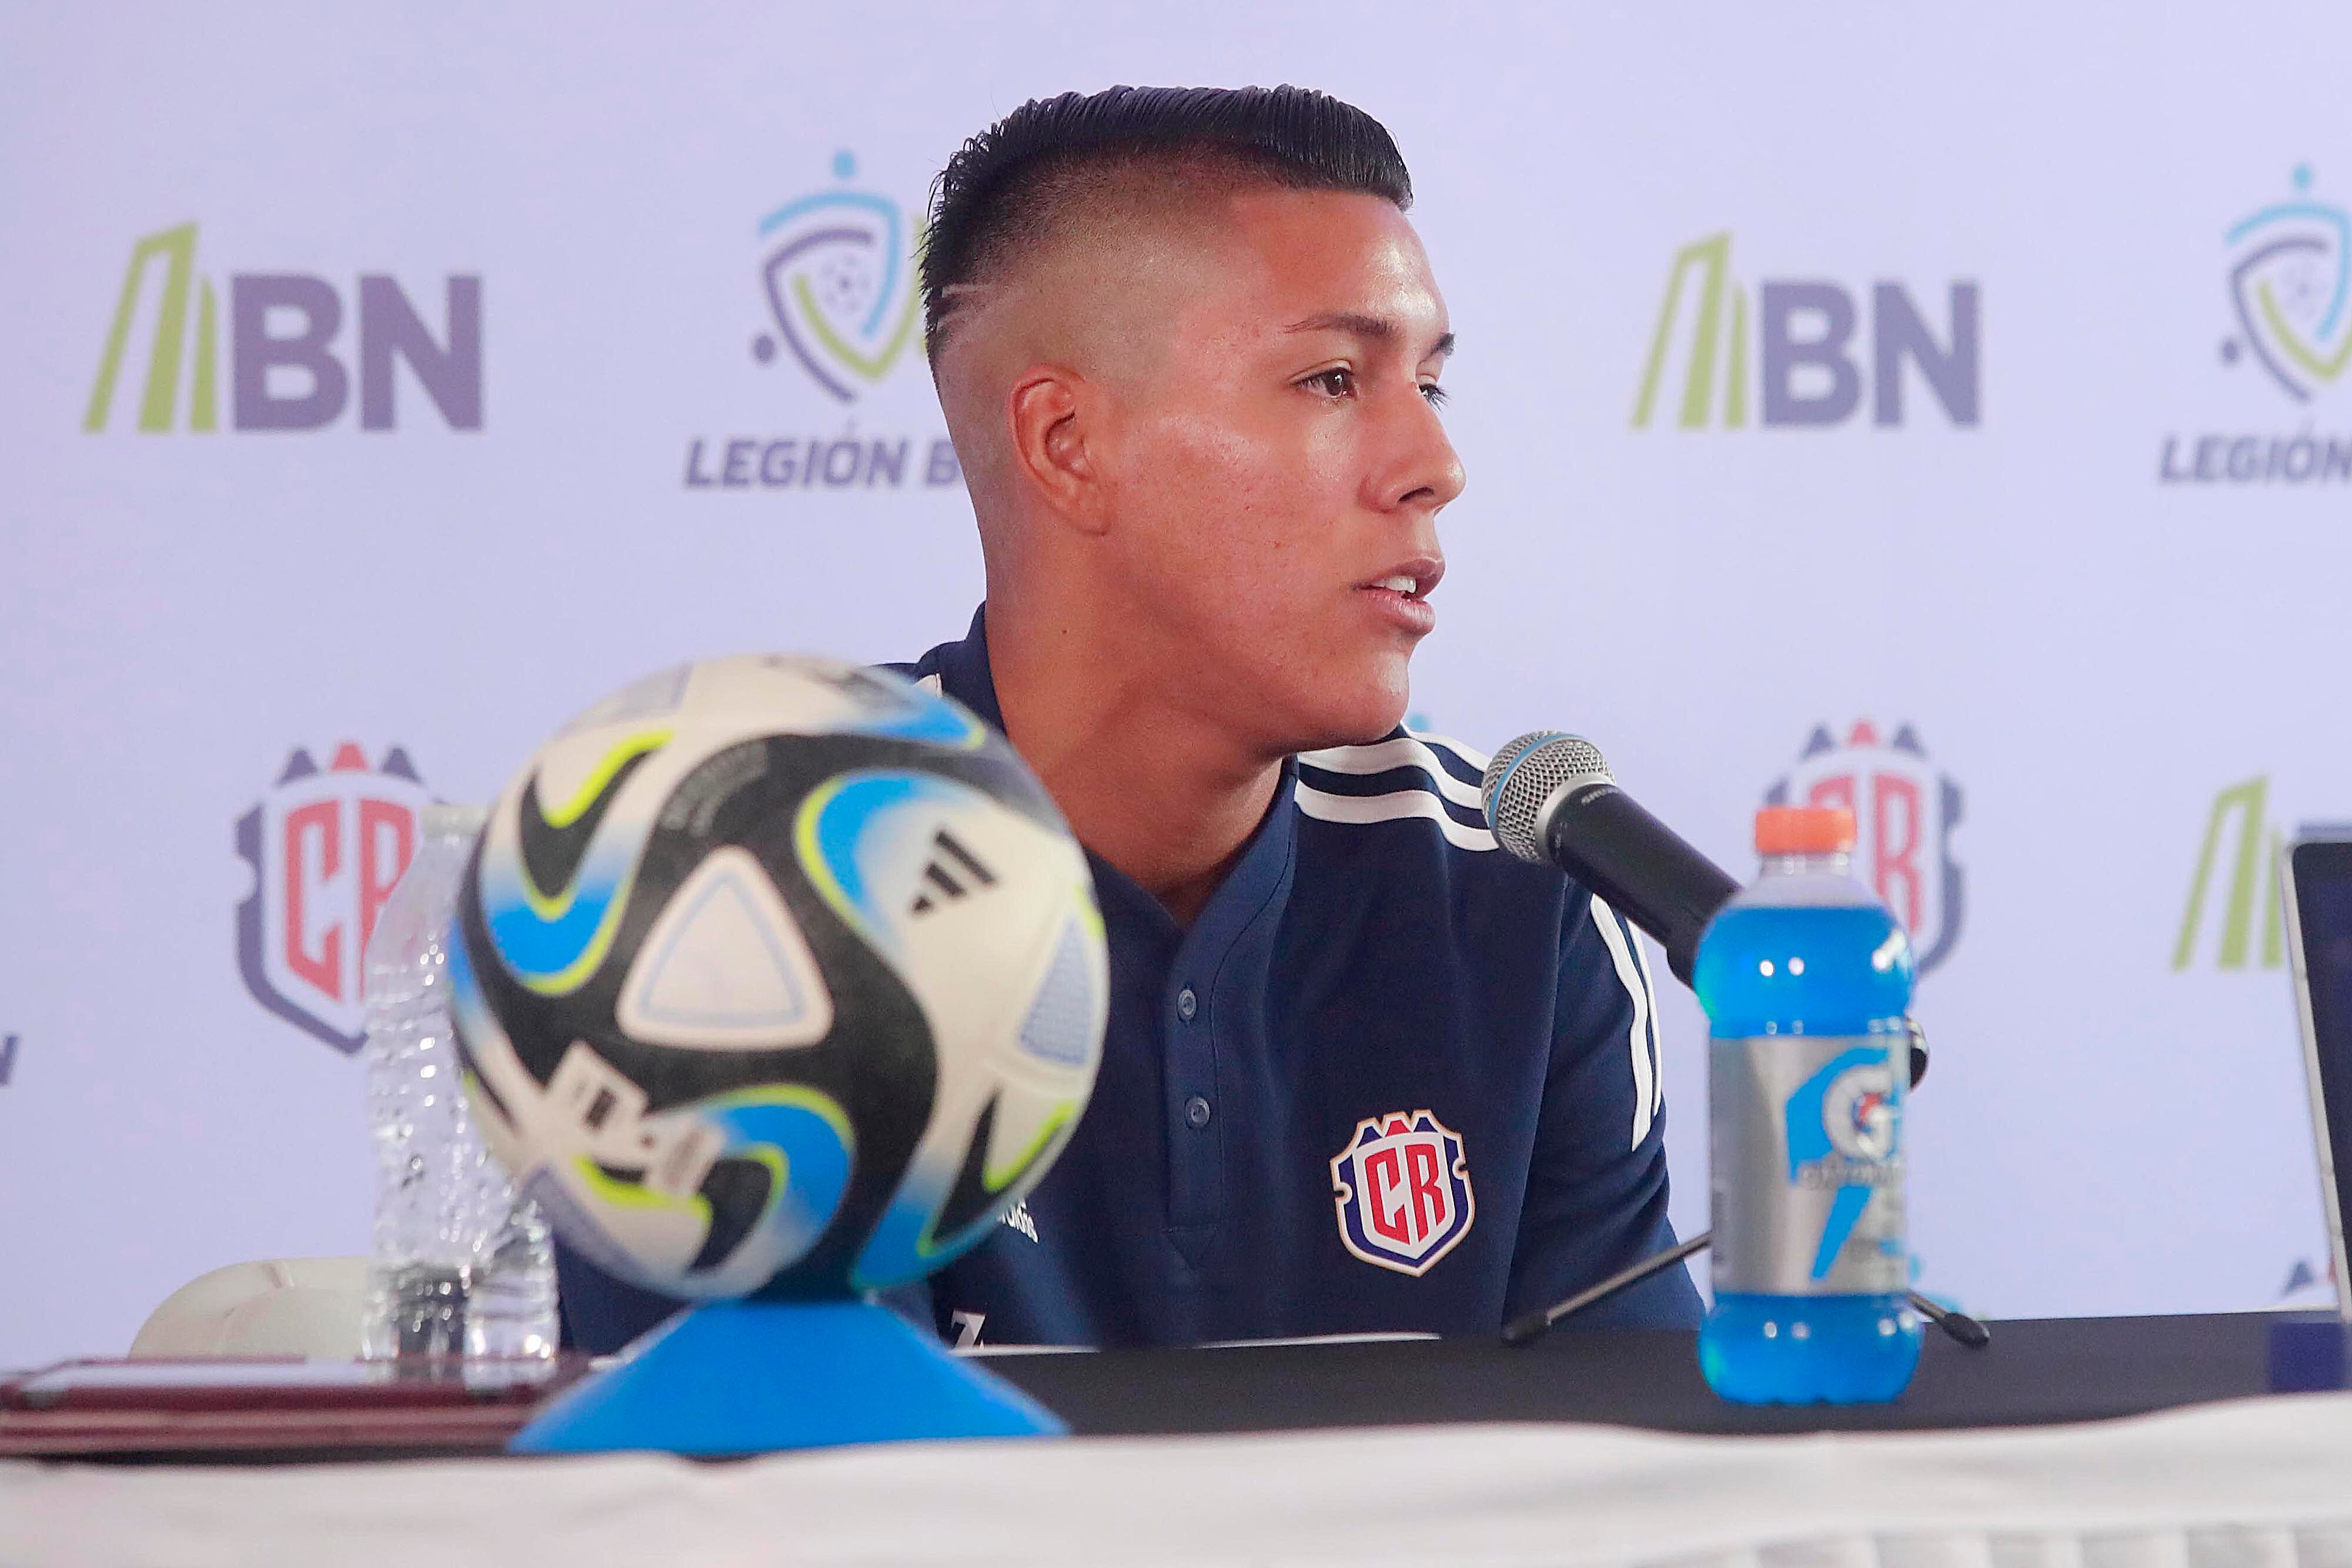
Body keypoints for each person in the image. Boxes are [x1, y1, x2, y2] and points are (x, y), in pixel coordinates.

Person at [560, 83, 1700, 1353]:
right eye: (1333, 377)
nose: (1432, 462)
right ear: (1064, 443)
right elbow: (791, 1513)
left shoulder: (1509, 891)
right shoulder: (759, 902)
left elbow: (1633, 1481)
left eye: (1429, 382)